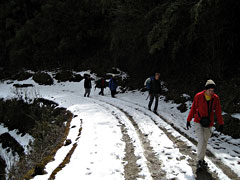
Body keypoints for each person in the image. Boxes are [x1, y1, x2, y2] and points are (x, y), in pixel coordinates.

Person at [186, 79, 224, 170]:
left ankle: (202, 159)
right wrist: (188, 120)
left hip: (209, 123)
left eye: (213, 91)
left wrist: (221, 123)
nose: (211, 92)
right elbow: (193, 108)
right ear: (206, 89)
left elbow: (218, 112)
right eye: (209, 90)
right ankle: (199, 160)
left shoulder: (216, 98)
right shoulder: (198, 96)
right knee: (201, 140)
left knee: (205, 142)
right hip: (198, 121)